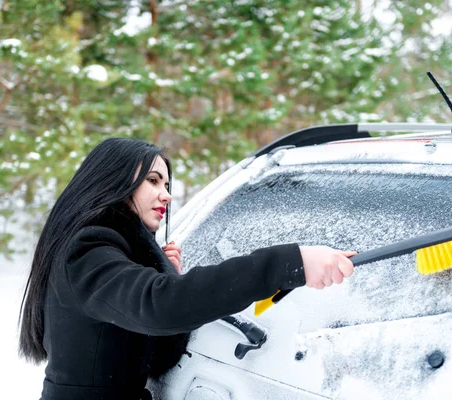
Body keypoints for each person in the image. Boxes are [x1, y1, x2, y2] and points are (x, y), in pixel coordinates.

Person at [18, 138, 356, 400]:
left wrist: (161, 274)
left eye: (166, 185)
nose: (165, 194)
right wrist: (289, 263)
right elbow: (161, 306)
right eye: (153, 180)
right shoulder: (88, 250)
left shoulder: (108, 251)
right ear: (112, 181)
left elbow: (158, 353)